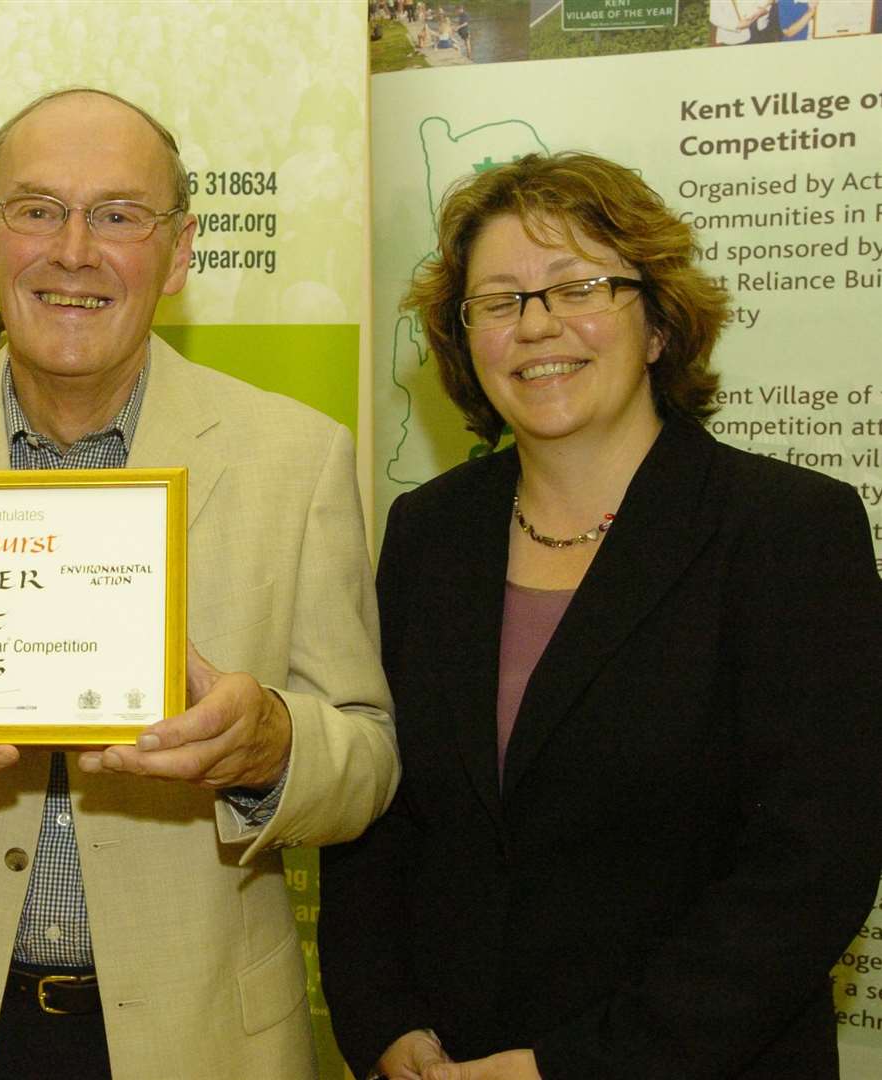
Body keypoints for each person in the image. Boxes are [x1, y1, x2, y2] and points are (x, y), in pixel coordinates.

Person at [0, 89, 398, 1079]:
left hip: (207, 1040)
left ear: (176, 254)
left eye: (119, 216)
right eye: (36, 209)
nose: (73, 250)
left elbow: (367, 761)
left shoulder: (295, 457)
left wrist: (271, 748)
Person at [317, 151, 882, 1080]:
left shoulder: (785, 531)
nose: (536, 326)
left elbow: (807, 869)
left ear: (658, 324)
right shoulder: (428, 533)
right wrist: (384, 1024)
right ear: (465, 341)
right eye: (497, 301)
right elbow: (379, 806)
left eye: (577, 286)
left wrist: (570, 1067)